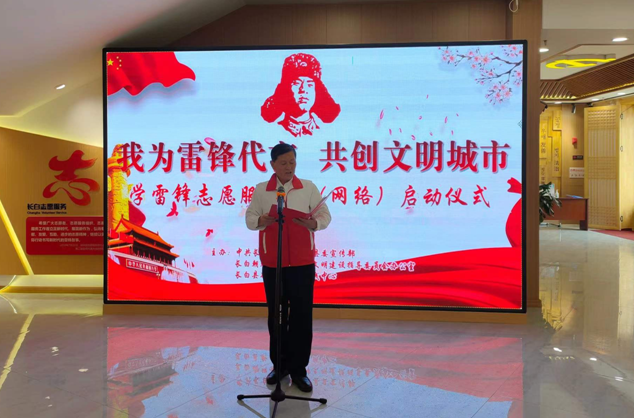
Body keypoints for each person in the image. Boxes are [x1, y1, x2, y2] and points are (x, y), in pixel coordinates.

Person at [245, 143, 331, 392]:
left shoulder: (308, 187)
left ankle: (299, 370)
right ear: (272, 164)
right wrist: (261, 220)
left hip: (303, 263)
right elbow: (250, 219)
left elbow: (325, 215)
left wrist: (313, 223)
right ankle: (280, 366)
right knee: (277, 316)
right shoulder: (262, 190)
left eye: (292, 162)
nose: (288, 167)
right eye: (283, 163)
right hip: (273, 262)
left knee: (302, 317)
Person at [261, 53, 341, 137]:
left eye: (309, 85)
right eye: (297, 84)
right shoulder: (273, 131)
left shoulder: (326, 132)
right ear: (286, 89)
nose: (303, 90)